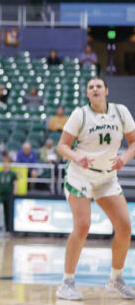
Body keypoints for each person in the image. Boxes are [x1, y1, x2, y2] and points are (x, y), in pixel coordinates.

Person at [55, 77, 135, 300]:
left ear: (107, 90)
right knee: (82, 226)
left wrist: (125, 157)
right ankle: (67, 283)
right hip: (80, 175)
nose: (95, 89)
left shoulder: (121, 112)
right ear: (87, 94)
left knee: (125, 227)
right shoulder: (80, 114)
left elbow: (133, 142)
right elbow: (62, 145)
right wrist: (76, 156)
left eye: (99, 86)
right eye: (91, 87)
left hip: (107, 177)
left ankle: (116, 279)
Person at [0, 156, 17, 233]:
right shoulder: (0, 174)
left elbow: (15, 184)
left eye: (7, 163)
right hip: (1, 195)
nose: (6, 164)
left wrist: (14, 195)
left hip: (9, 196)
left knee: (8, 212)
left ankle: (8, 229)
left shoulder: (13, 174)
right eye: (4, 163)